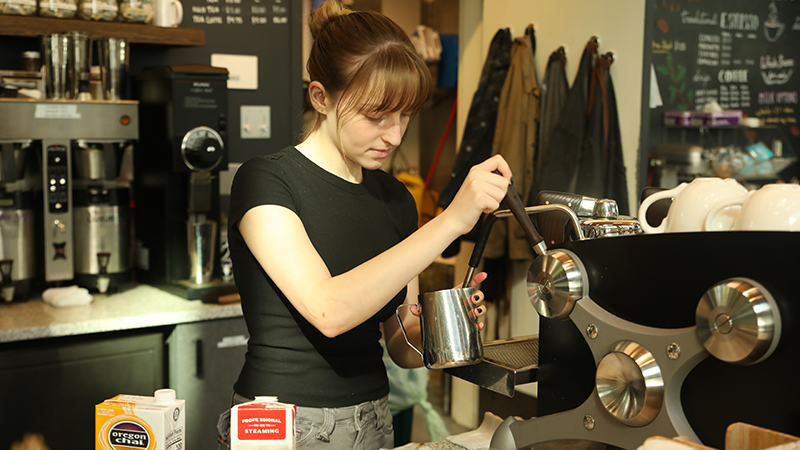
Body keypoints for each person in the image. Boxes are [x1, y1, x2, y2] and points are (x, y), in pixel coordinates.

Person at [224, 1, 513, 448]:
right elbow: (330, 312)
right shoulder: (267, 180)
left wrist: (444, 324)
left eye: (405, 116)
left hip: (374, 418)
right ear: (321, 98)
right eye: (377, 117)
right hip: (285, 422)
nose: (395, 136)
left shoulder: (395, 199)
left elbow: (400, 346)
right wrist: (450, 222)